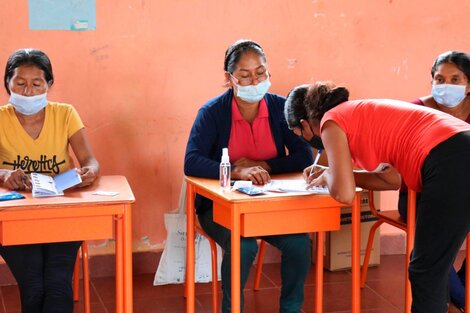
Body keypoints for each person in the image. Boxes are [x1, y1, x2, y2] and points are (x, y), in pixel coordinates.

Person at [284, 81, 470, 313]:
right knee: (431, 264)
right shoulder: (356, 112)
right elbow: (393, 180)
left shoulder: (330, 122)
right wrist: (340, 174)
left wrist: (331, 174)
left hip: (452, 160)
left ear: (304, 124)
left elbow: (344, 194)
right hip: (458, 150)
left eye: (297, 134)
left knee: (426, 270)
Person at [184, 39, 313, 313]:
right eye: (245, 74)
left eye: (260, 72)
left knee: (299, 243)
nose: (254, 80)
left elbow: (304, 155)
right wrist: (236, 171)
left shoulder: (280, 107)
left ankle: (291, 308)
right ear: (229, 78)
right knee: (242, 246)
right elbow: (191, 162)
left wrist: (264, 165)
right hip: (219, 208)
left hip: (268, 204)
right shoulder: (212, 113)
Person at [0, 48, 99, 313]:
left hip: (61, 211)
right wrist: (5, 175)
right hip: (14, 216)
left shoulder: (65, 113)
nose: (28, 91)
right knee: (33, 284)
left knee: (56, 282)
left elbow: (89, 160)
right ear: (7, 84)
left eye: (36, 84)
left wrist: (88, 173)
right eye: (19, 83)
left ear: (49, 85)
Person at [397, 50, 470, 312]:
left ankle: (457, 295)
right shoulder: (416, 110)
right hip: (420, 196)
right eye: (439, 79)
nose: (445, 86)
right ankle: (460, 301)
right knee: (436, 246)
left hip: (465, 196)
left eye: (455, 79)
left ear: (469, 84)